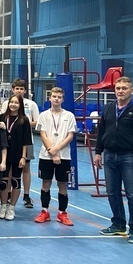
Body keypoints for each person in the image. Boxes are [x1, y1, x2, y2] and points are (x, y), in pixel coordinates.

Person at [94, 76, 133, 244]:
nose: (121, 91)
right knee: (112, 192)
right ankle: (118, 224)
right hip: (110, 156)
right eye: (118, 88)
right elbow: (102, 131)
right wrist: (98, 152)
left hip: (131, 157)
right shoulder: (108, 108)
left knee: (132, 194)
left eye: (124, 88)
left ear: (131, 90)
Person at [35, 87, 76, 226]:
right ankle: (44, 211)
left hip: (64, 156)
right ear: (50, 98)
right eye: (54, 96)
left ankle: (62, 213)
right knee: (45, 183)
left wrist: (56, 150)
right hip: (46, 156)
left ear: (63, 99)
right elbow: (43, 135)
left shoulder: (69, 116)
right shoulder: (43, 115)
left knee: (62, 184)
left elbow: (70, 136)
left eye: (59, 97)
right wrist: (52, 152)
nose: (56, 99)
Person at [0, 78, 40, 208]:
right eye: (17, 88)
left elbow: (37, 122)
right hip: (8, 143)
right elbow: (2, 120)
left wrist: (22, 123)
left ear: (25, 91)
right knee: (8, 170)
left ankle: (26, 195)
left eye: (21, 89)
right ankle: (8, 194)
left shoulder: (31, 104)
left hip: (26, 141)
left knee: (25, 168)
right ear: (13, 90)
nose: (19, 91)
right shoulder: (6, 103)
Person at [0, 95, 32, 221]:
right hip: (3, 154)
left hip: (17, 154)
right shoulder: (1, 118)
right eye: (11, 102)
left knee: (16, 181)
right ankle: (3, 206)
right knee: (4, 182)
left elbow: (26, 140)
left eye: (16, 103)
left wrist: (23, 157)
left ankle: (11, 207)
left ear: (20, 105)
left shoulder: (24, 120)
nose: (13, 104)